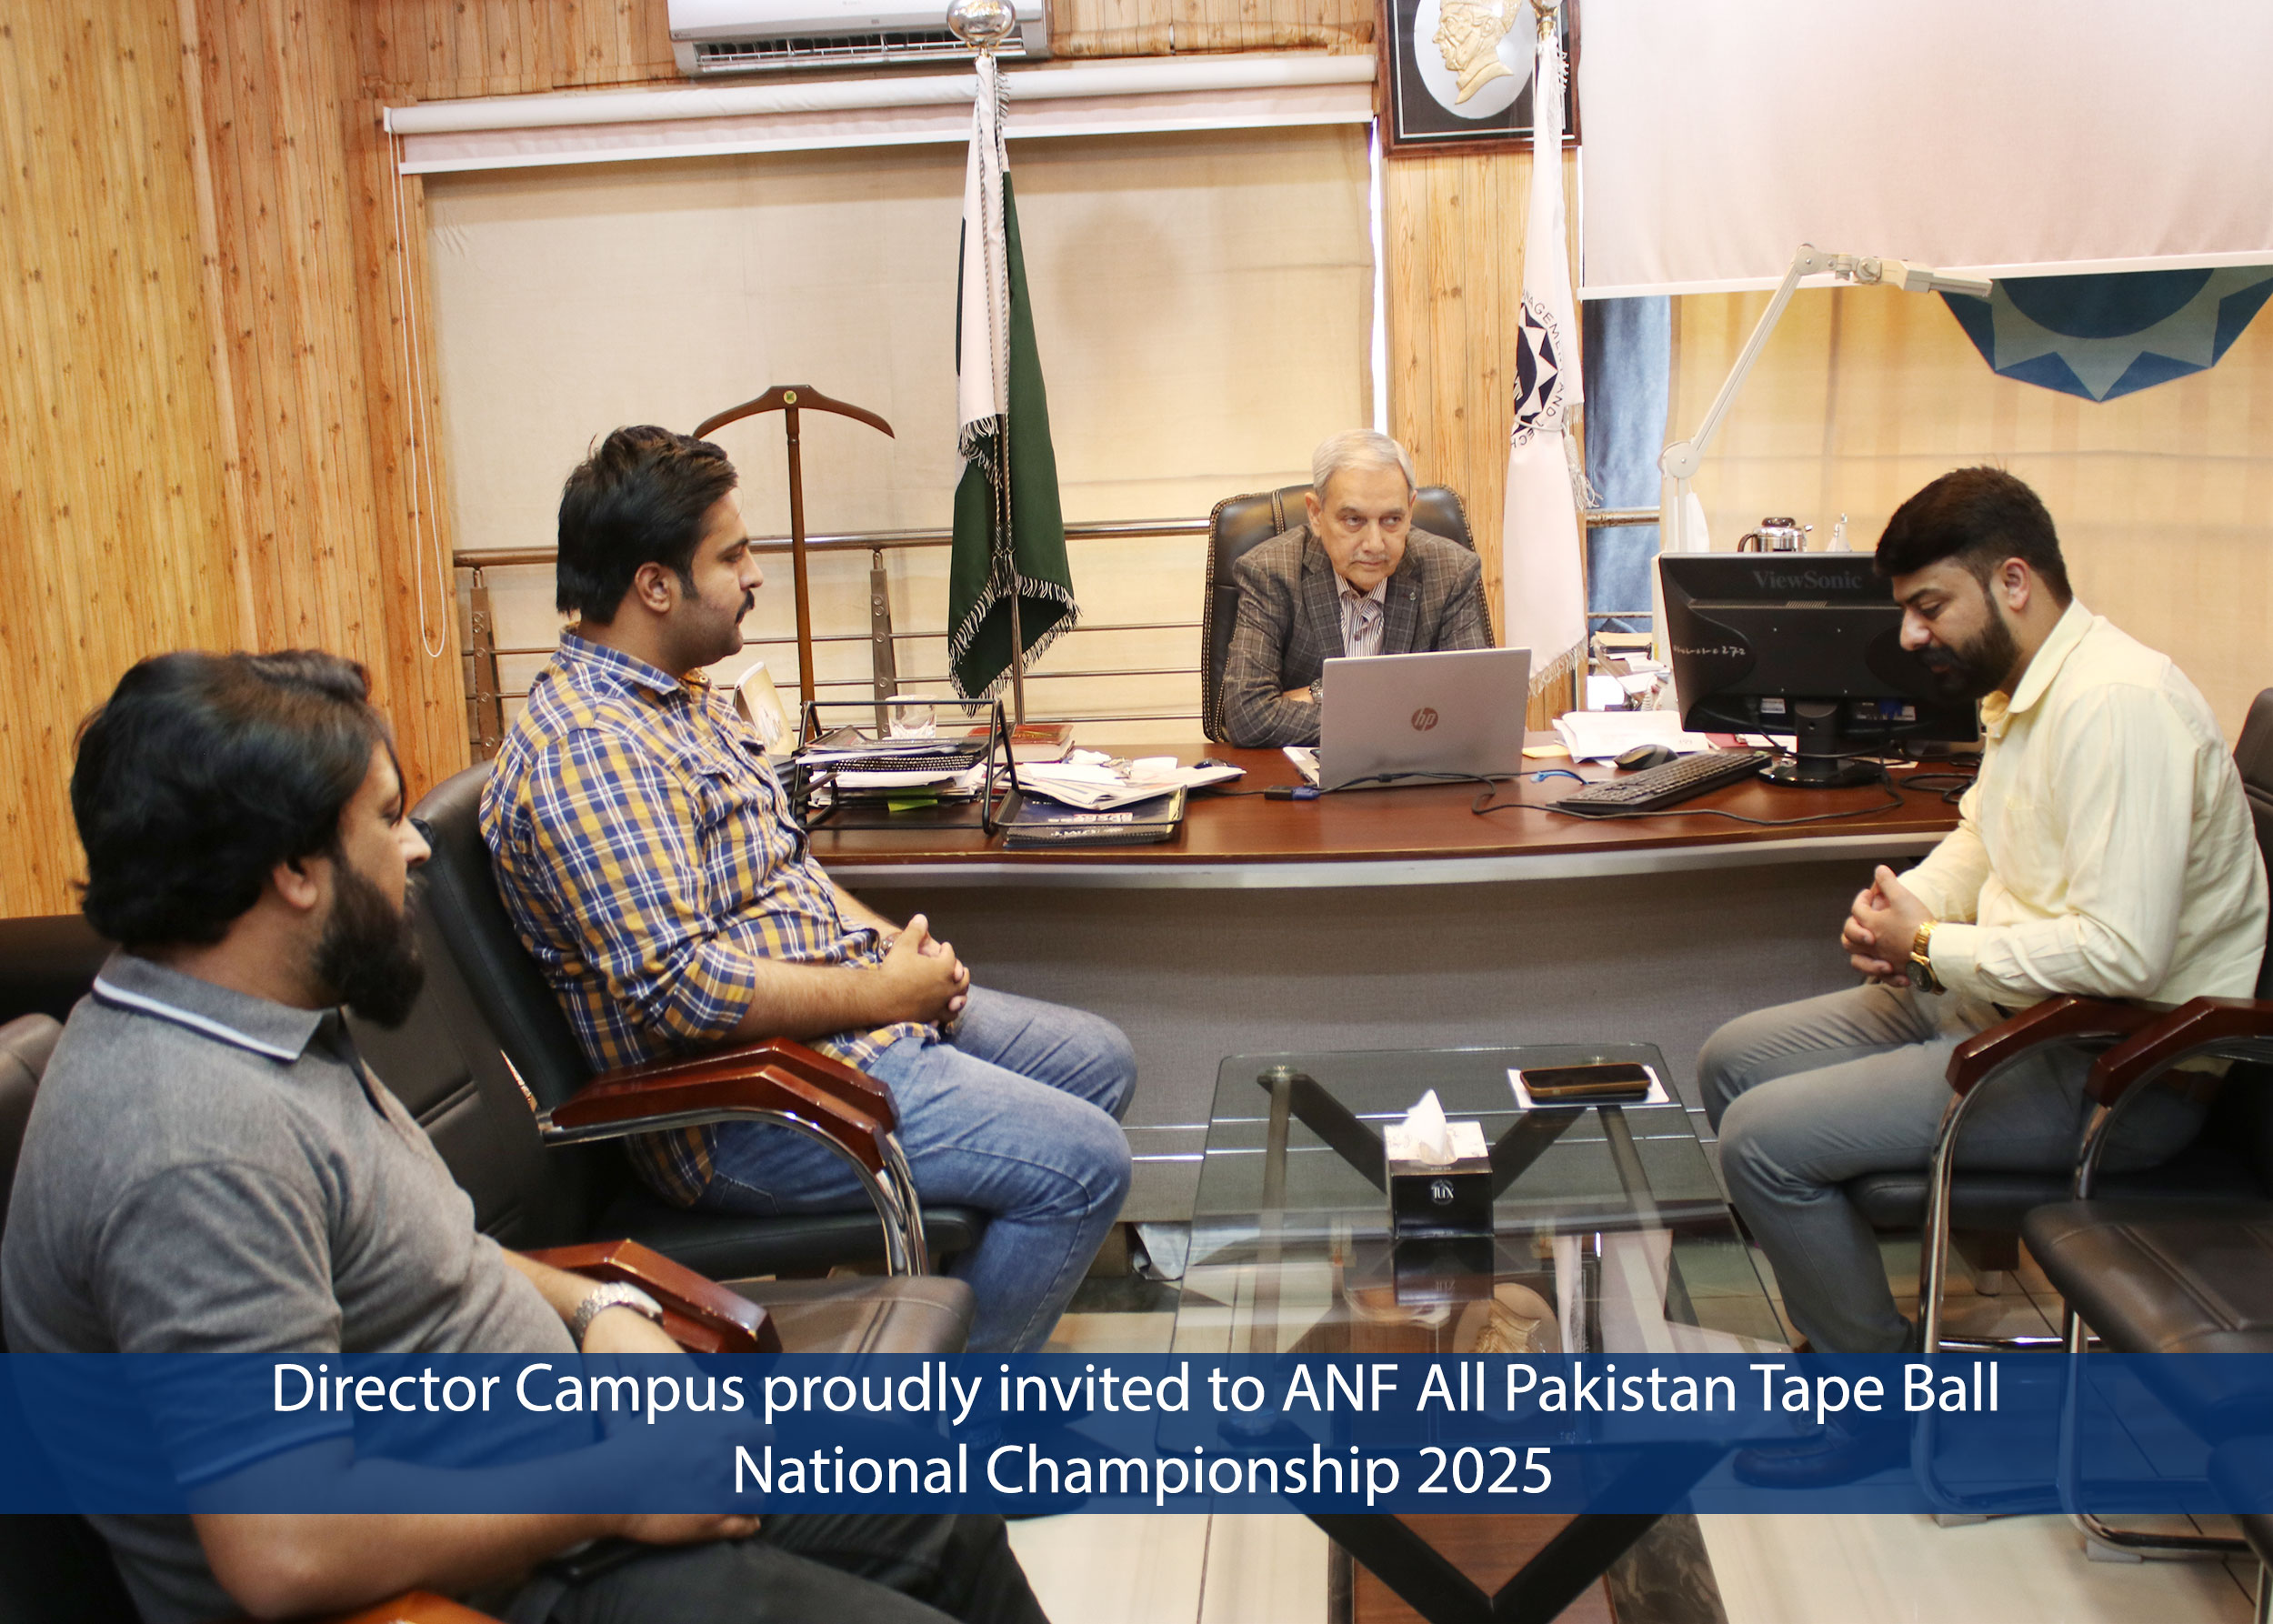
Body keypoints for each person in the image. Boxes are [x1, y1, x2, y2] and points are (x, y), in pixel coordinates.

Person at [0, 649, 1046, 1624]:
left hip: (562, 1467)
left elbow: (417, 1254)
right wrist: (615, 1491)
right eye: (388, 819)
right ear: (293, 870)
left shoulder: (265, 1023)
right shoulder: (191, 1142)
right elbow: (288, 1544)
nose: (416, 848)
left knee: (934, 1511)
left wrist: (601, 1311)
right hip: (492, 1576)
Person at [481, 426, 1135, 1356]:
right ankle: (943, 1426)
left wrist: (899, 955)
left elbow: (789, 870)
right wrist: (885, 993)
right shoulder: (592, 749)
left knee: (1101, 1062)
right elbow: (684, 992)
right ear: (655, 586)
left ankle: (930, 1332)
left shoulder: (676, 698)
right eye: (731, 556)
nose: (754, 575)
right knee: (1085, 1165)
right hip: (752, 1104)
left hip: (837, 1026)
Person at [1700, 466, 2268, 1364]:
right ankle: (1850, 1331)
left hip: (2111, 1072)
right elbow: (1986, 833)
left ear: (2013, 581)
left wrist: (1927, 946)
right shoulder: (2029, 685)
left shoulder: (2118, 707)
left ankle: (1875, 1392)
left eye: (1929, 606)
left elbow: (2122, 956)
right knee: (1730, 1061)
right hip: (2005, 1017)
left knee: (1760, 1143)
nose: (1908, 634)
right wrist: (1911, 906)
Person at [1220, 429, 1490, 747]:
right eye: (1353, 520)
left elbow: (1474, 707)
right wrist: (1403, 711)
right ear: (1316, 514)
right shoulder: (1270, 571)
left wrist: (1321, 697)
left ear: (1410, 509)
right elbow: (1248, 716)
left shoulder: (1451, 571)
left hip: (1415, 768)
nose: (1374, 544)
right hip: (1305, 773)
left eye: (1392, 520)